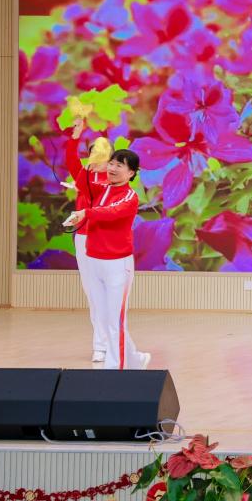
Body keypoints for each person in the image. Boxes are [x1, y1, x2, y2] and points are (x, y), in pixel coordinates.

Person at [63, 149, 151, 370]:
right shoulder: (100, 189)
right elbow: (78, 176)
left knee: (115, 321)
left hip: (116, 264)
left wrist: (86, 213)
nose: (112, 168)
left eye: (119, 165)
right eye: (111, 163)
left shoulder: (130, 197)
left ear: (131, 173)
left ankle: (114, 371)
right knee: (105, 318)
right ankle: (136, 359)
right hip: (94, 260)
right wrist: (79, 148)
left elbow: (112, 212)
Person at [64, 117, 112, 363]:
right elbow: (71, 160)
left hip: (108, 242)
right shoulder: (84, 176)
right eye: (93, 152)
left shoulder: (115, 181)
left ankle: (113, 341)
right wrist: (76, 135)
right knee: (92, 292)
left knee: (109, 292)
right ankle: (100, 344)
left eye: (102, 153)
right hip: (84, 239)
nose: (96, 157)